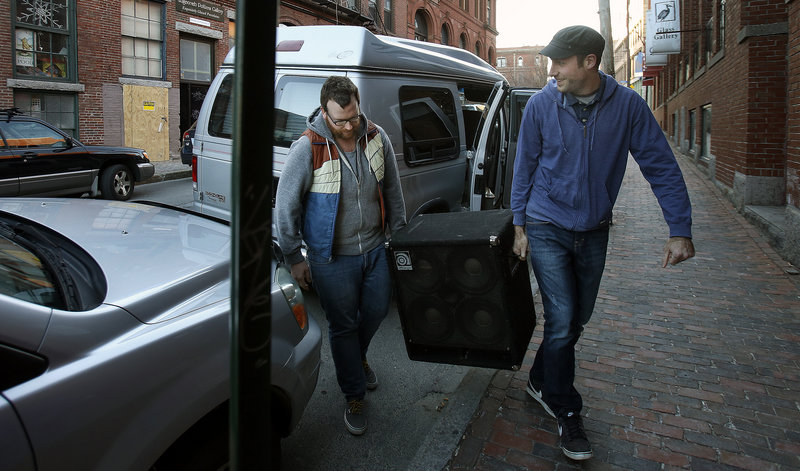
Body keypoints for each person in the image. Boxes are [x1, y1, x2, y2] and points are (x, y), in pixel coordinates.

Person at [510, 25, 695, 461]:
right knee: (562, 317)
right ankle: (566, 409)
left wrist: (679, 228)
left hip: (593, 227)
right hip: (546, 222)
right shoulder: (539, 106)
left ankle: (539, 378)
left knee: (577, 320)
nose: (550, 69)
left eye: (559, 61)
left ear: (589, 62)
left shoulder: (628, 106)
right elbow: (523, 166)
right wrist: (519, 225)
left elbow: (660, 165)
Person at [275, 76, 406, 436]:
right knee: (343, 324)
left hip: (376, 248)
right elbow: (285, 206)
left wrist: (401, 238)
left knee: (378, 309)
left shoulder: (376, 137)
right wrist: (294, 256)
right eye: (340, 121)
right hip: (330, 258)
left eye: (353, 118)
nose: (348, 127)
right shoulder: (308, 147)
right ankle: (353, 393)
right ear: (325, 112)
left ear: (358, 106)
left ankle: (355, 357)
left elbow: (392, 190)